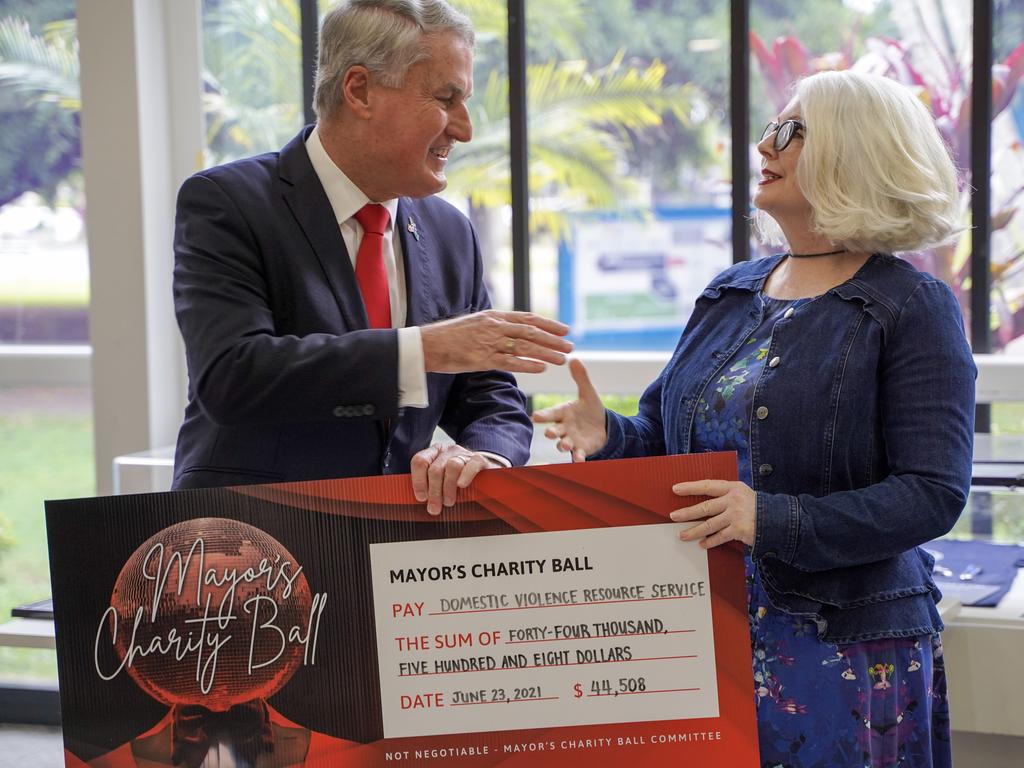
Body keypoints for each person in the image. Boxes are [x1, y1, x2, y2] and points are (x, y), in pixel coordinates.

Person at [535, 70, 974, 767]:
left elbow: (933, 492)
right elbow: (664, 443)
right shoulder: (729, 292)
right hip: (698, 630)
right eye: (773, 126)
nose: (765, 143)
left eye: (792, 131)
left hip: (842, 649)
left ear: (851, 152)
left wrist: (768, 519)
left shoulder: (913, 306)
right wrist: (609, 434)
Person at [171, 0, 571, 512]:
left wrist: (484, 457)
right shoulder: (229, 202)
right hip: (251, 547)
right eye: (446, 98)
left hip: (400, 546)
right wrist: (422, 350)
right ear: (360, 90)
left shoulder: (450, 232)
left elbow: (491, 397)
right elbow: (233, 375)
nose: (465, 129)